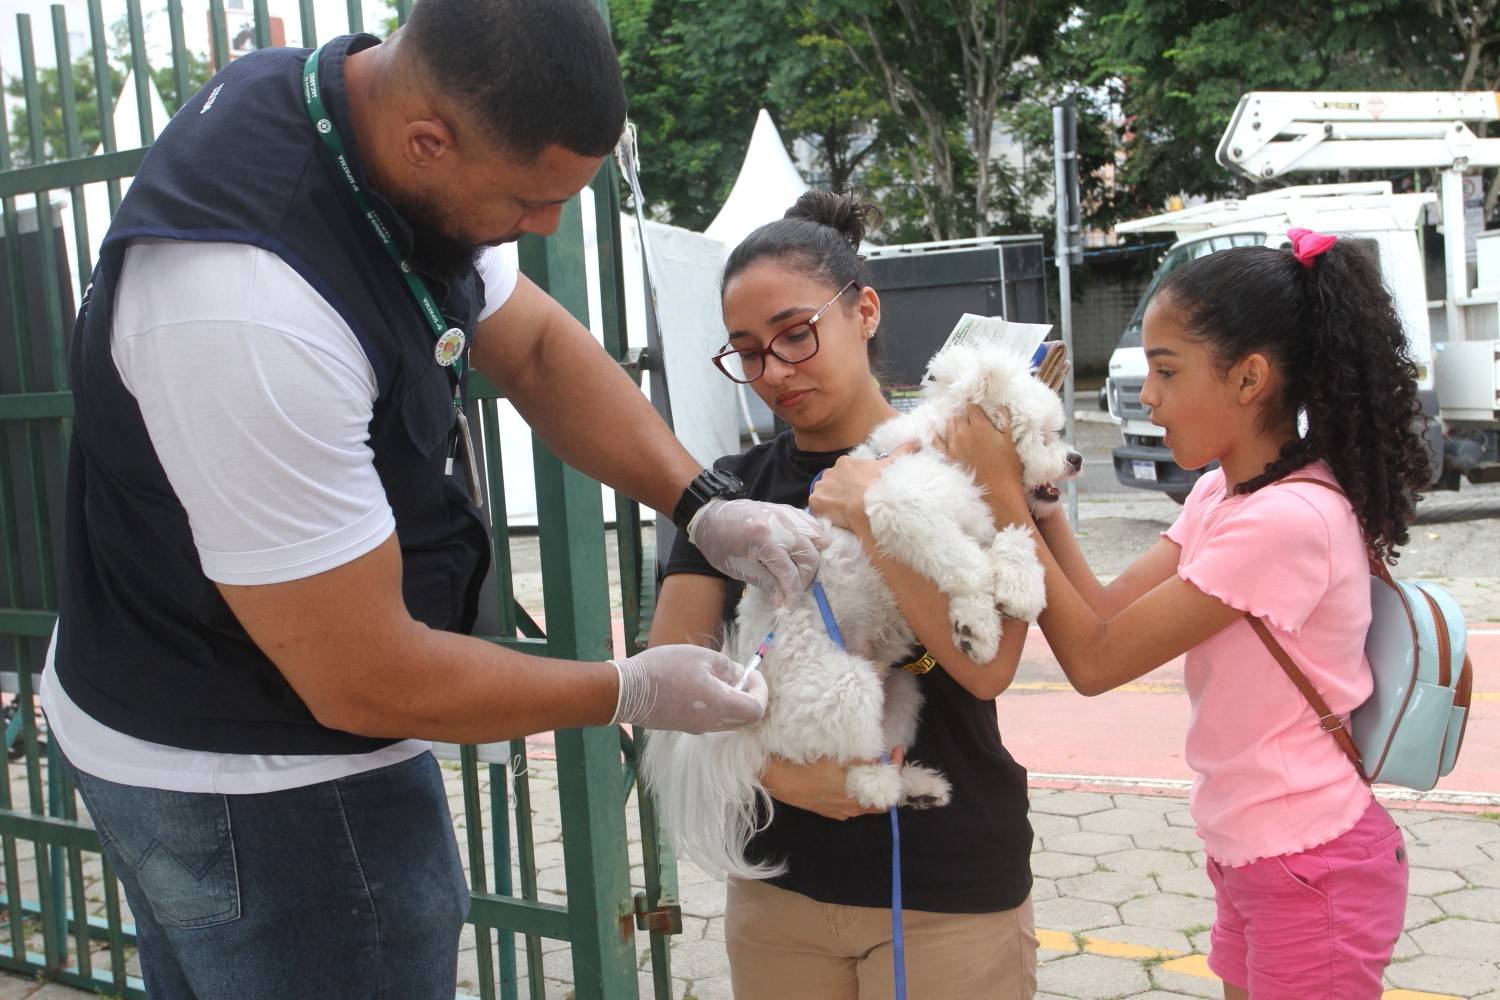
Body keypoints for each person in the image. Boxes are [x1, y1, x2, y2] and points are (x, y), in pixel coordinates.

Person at [41, 3, 826, 997]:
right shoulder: (250, 306)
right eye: (528, 201)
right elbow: (363, 679)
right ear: (429, 141)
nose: (541, 228)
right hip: (258, 786)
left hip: (179, 700)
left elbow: (536, 346)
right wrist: (624, 689)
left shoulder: (373, 131)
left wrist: (702, 500)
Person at [823, 232, 1425, 999]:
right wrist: (1035, 500)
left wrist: (1002, 491)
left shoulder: (1288, 522)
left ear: (1249, 379)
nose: (1147, 396)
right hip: (1255, 853)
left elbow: (1096, 661)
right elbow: (1102, 609)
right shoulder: (1222, 495)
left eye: (1167, 371)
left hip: (1310, 864)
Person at [653, 190, 1039, 1000]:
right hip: (779, 885)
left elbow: (987, 667)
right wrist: (780, 778)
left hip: (945, 882)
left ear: (863, 310)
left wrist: (870, 508)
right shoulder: (728, 496)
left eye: (796, 335)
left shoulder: (958, 453)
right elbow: (666, 684)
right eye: (748, 353)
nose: (775, 372)